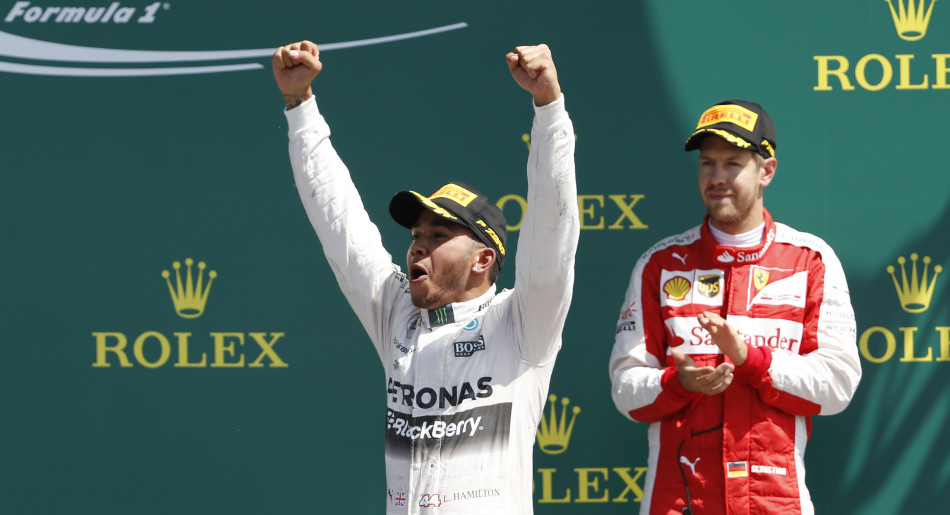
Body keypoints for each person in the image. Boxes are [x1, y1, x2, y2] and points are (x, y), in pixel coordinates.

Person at [272, 40, 579, 514]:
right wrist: (299, 105)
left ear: (483, 260)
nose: (418, 244)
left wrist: (549, 108)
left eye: (439, 235)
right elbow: (340, 224)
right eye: (417, 233)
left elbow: (551, 236)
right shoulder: (397, 312)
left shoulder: (521, 325)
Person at [608, 100, 861, 515]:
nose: (717, 178)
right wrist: (678, 384)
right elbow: (626, 392)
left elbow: (837, 385)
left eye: (733, 164)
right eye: (708, 164)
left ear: (767, 171)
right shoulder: (660, 263)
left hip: (775, 503)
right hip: (679, 502)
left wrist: (753, 360)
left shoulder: (810, 259)